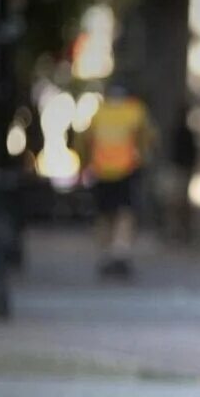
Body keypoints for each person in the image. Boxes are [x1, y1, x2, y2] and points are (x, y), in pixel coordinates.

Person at [81, 83, 154, 279]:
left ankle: (106, 254)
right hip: (126, 170)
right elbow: (147, 138)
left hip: (101, 171)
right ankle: (120, 251)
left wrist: (85, 164)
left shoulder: (99, 113)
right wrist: (143, 159)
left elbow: (84, 141)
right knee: (125, 213)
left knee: (104, 215)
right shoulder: (135, 110)